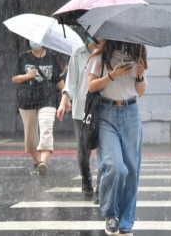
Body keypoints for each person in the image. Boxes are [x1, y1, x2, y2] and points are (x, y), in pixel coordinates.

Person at [86, 39, 147, 235]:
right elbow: (91, 86)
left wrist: (139, 76)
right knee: (115, 167)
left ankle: (126, 219)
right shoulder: (100, 56)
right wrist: (112, 75)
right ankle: (111, 214)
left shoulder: (137, 56)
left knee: (131, 170)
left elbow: (141, 92)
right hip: (107, 113)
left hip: (131, 113)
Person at [57, 38, 104, 201]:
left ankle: (101, 187)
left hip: (103, 108)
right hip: (82, 111)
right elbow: (70, 83)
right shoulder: (78, 54)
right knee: (84, 150)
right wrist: (64, 99)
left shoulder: (109, 52)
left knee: (104, 150)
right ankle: (86, 180)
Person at [12, 39, 64, 175]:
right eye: (32, 39)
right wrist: (27, 75)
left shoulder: (51, 57)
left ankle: (43, 163)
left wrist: (66, 97)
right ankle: (36, 161)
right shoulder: (23, 57)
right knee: (30, 136)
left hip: (48, 98)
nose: (35, 42)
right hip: (27, 99)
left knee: (46, 128)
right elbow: (15, 78)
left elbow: (58, 79)